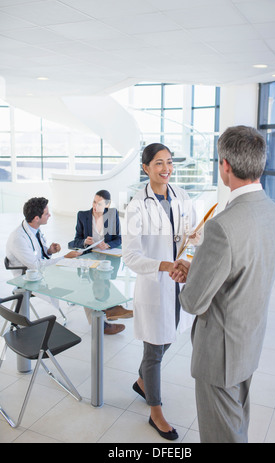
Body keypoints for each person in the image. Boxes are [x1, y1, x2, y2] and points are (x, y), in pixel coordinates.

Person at [171, 126, 275, 443]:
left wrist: (193, 274)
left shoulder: (222, 226)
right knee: (236, 425)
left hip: (219, 354)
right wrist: (200, 265)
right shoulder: (274, 213)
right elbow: (247, 269)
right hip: (248, 341)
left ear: (225, 165)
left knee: (221, 435)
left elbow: (193, 302)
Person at [122, 143, 197, 440]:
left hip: (179, 280)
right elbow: (130, 256)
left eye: (169, 162)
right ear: (145, 168)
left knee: (168, 337)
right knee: (154, 349)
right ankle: (156, 411)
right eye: (158, 163)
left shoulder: (183, 196)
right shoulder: (135, 206)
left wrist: (187, 257)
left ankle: (143, 382)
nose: (166, 168)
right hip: (155, 284)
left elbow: (193, 233)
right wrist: (164, 265)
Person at [68, 190, 133, 335]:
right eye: (94, 202)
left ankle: (111, 308)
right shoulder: (83, 215)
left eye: (99, 203)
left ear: (107, 205)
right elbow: (76, 240)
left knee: (106, 280)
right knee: (90, 287)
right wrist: (85, 241)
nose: (95, 206)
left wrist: (108, 245)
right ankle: (101, 323)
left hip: (107, 256)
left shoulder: (111, 215)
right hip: (88, 257)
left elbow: (118, 239)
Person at [6, 197, 81, 319]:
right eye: (46, 214)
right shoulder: (18, 238)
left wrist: (49, 250)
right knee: (71, 273)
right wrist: (65, 258)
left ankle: (78, 298)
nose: (50, 215)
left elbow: (36, 252)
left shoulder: (34, 228)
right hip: (27, 276)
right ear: (36, 218)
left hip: (37, 269)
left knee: (75, 271)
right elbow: (36, 265)